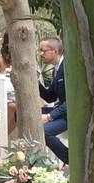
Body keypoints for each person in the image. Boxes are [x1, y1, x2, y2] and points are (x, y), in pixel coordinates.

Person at [38, 37, 67, 165]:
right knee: (23, 114)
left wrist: (50, 116)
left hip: (70, 114)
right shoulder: (57, 68)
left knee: (44, 132)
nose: (40, 54)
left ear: (54, 51)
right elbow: (51, 97)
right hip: (61, 110)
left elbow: (71, 101)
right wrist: (35, 81)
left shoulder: (67, 68)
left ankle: (71, 160)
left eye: (43, 51)